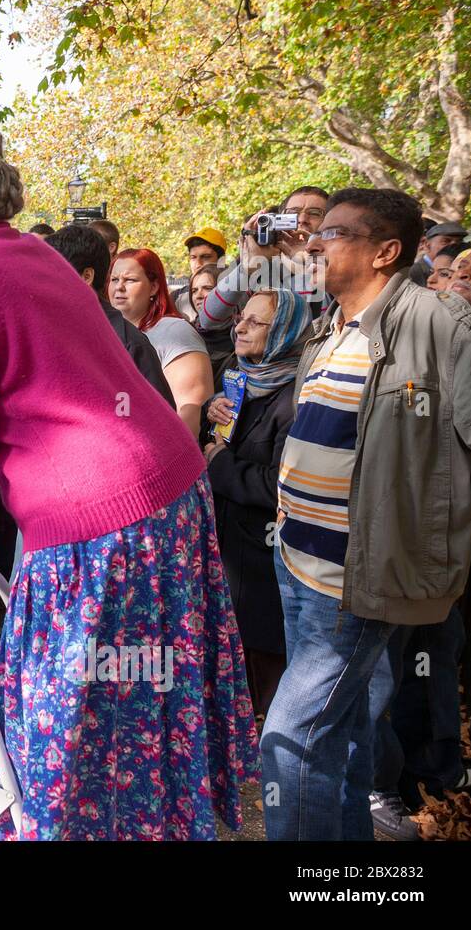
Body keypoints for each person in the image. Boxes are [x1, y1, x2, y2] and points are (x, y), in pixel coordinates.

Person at [0, 113, 257, 840]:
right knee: (149, 704)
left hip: (101, 524)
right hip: (170, 492)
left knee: (70, 728)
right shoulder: (34, 253)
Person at [260, 188, 471, 841]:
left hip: (356, 579)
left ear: (386, 251)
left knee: (289, 742)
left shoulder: (443, 325)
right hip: (296, 562)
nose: (315, 243)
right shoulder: (332, 328)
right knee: (343, 735)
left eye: (334, 232)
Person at [201, 288, 311, 717]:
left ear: (285, 331)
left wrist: (220, 463)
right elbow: (215, 443)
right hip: (228, 549)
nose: (240, 327)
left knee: (269, 677)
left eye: (256, 321)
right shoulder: (236, 375)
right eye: (240, 318)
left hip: (266, 562)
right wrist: (212, 413)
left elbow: (282, 485)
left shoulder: (297, 397)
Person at [43, 224, 174, 406]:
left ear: (86, 276)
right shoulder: (44, 330)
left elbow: (161, 418)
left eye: (53, 272)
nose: (43, 282)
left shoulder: (129, 344)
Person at [109, 248, 213, 434]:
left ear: (154, 287)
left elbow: (191, 414)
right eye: (114, 279)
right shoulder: (109, 333)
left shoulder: (175, 332)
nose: (119, 287)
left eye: (130, 280)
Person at [197, 186, 329, 330]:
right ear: (278, 219)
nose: (302, 219)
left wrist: (312, 260)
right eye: (293, 213)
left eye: (315, 213)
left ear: (329, 222)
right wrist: (247, 269)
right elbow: (209, 320)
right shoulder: (260, 269)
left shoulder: (336, 265)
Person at [187, 265, 235, 391]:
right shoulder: (185, 332)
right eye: (194, 290)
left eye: (207, 288)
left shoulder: (242, 335)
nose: (198, 295)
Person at [408, 220, 467, 286]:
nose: (454, 246)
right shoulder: (414, 272)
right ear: (427, 245)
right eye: (446, 241)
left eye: (459, 242)